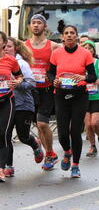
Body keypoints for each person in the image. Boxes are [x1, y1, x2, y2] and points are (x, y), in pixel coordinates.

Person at [49, 25, 97, 178]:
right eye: (66, 33)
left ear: (77, 36)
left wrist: (84, 77)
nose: (69, 36)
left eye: (72, 33)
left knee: (75, 131)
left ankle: (75, 165)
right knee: (62, 133)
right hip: (61, 95)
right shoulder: (56, 53)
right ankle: (67, 152)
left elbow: (93, 76)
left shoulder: (85, 54)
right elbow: (50, 74)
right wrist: (54, 81)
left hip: (79, 96)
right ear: (62, 37)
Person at [3, 37, 44, 177]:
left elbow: (32, 83)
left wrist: (18, 84)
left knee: (23, 136)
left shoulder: (21, 64)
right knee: (5, 136)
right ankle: (9, 166)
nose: (6, 49)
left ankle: (35, 144)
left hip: (22, 105)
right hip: (6, 104)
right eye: (4, 46)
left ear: (15, 48)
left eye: (9, 46)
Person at [25, 14, 60, 170]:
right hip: (30, 91)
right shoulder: (24, 45)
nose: (36, 25)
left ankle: (51, 152)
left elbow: (62, 62)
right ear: (30, 26)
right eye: (33, 23)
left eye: (39, 23)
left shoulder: (53, 46)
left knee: (42, 123)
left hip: (46, 89)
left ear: (45, 26)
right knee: (38, 126)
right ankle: (49, 155)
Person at [0, 31, 24, 182]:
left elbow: (20, 75)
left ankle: (1, 168)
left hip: (6, 101)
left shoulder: (11, 60)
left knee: (3, 134)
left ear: (3, 43)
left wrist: (18, 81)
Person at [81, 40, 99, 157]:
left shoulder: (98, 63)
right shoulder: (79, 63)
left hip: (97, 96)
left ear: (93, 50)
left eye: (90, 48)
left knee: (94, 123)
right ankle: (93, 147)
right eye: (85, 47)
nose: (88, 49)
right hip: (84, 97)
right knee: (87, 125)